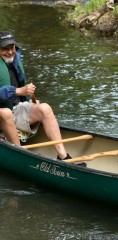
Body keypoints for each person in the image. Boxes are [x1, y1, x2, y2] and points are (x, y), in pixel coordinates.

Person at [0, 31, 84, 165]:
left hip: (15, 110)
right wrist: (17, 91)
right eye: (5, 49)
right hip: (3, 114)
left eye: (12, 48)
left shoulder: (12, 63)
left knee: (44, 108)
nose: (10, 52)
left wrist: (27, 99)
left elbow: (21, 91)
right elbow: (13, 91)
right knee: (5, 112)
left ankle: (63, 156)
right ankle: (19, 155)